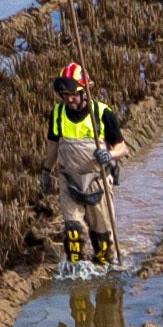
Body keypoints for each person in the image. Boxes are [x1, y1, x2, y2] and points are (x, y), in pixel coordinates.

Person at [50, 55, 127, 270]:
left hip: (97, 180)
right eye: (65, 95)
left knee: (102, 243)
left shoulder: (102, 113)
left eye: (73, 94)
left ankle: (104, 269)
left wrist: (109, 155)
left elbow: (122, 147)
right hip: (69, 179)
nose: (69, 99)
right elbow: (52, 145)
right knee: (72, 235)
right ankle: (76, 278)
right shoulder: (57, 114)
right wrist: (46, 171)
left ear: (85, 92)